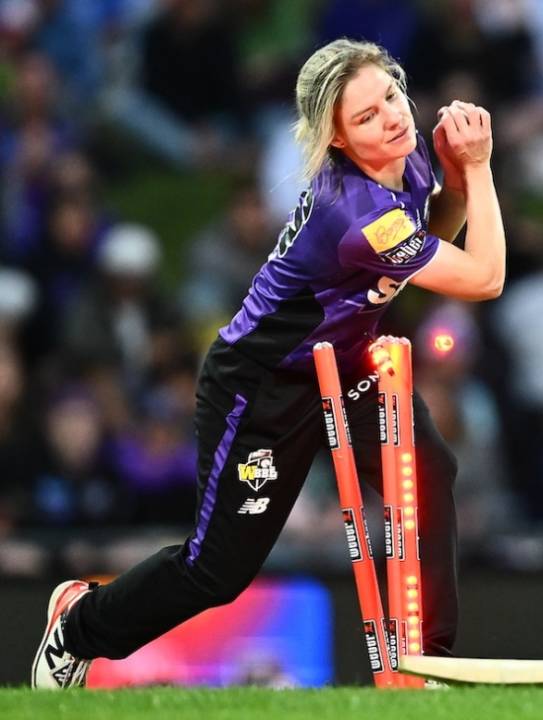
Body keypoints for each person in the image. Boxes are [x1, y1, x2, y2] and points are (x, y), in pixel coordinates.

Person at [31, 38, 506, 689]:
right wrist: (478, 168)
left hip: (349, 367)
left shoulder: (407, 156)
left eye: (391, 96)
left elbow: (429, 247)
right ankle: (79, 623)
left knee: (429, 477)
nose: (393, 117)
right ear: (338, 140)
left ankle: (432, 668)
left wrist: (450, 181)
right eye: (366, 117)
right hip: (262, 387)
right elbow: (483, 278)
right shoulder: (355, 211)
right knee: (216, 572)